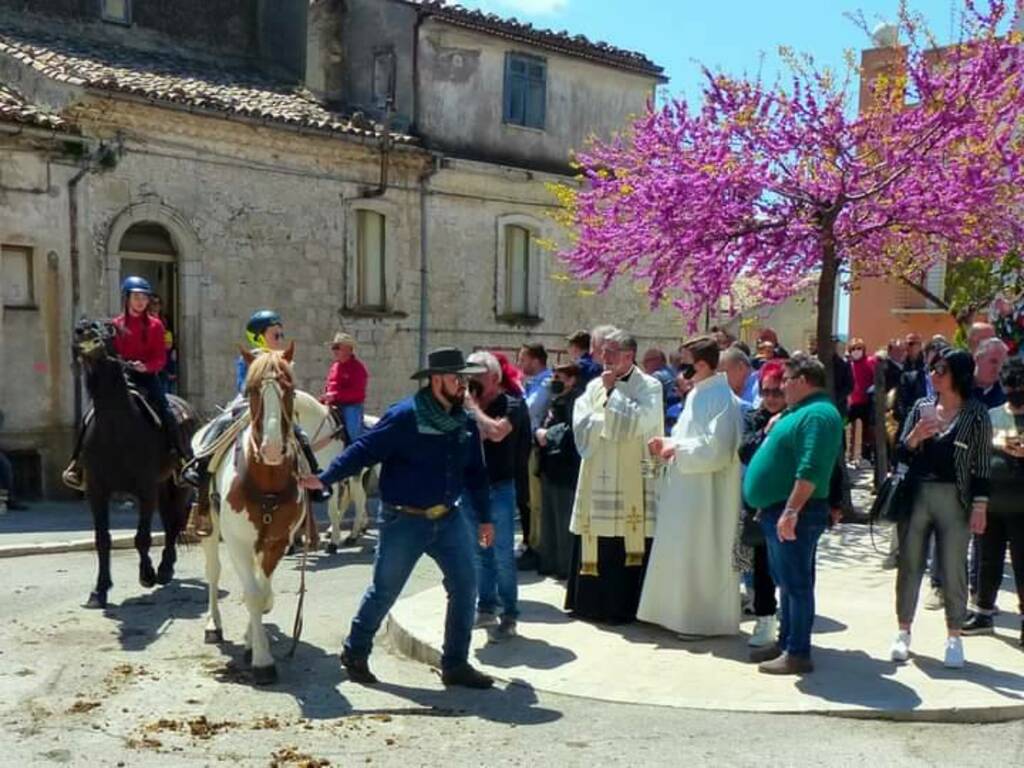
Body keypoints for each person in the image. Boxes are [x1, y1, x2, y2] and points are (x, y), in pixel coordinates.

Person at [300, 347, 496, 689]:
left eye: (464, 378)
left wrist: (485, 517)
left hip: (449, 519)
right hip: (404, 520)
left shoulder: (463, 420)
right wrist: (326, 477)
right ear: (436, 380)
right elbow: (364, 449)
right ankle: (355, 650)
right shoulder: (405, 416)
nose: (462, 384)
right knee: (384, 591)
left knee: (466, 586)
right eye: (456, 378)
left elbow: (476, 472)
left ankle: (455, 664)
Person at [889, 348, 992, 669]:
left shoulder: (976, 413)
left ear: (958, 375)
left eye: (941, 370)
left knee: (953, 568)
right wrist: (915, 436)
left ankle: (954, 636)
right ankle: (903, 632)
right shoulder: (922, 407)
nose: (933, 375)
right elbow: (901, 455)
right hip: (918, 495)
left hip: (955, 499)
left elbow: (982, 466)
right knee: (910, 565)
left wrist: (980, 506)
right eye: (932, 369)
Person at [743, 353, 844, 674]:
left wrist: (790, 510)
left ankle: (798, 652)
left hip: (797, 511)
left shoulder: (818, 415)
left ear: (802, 381)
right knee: (786, 582)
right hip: (778, 510)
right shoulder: (801, 411)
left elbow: (811, 468)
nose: (781, 387)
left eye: (785, 381)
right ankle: (787, 641)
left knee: (797, 584)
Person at [185, 309, 328, 535]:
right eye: (276, 335)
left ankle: (313, 479)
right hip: (248, 404)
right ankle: (201, 474)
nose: (280, 339)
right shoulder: (250, 357)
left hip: (275, 408)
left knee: (300, 435)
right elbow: (244, 385)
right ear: (259, 336)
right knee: (219, 427)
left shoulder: (283, 360)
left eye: (281, 335)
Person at [638, 336, 743, 637]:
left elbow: (717, 449)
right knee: (683, 549)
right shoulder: (699, 394)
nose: (678, 371)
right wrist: (669, 443)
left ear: (699, 364)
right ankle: (676, 615)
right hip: (686, 488)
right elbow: (692, 437)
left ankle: (700, 620)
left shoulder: (721, 398)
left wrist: (677, 449)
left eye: (683, 364)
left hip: (706, 494)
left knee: (701, 551)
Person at [566, 329, 663, 624]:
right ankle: (589, 605)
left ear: (629, 355)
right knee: (598, 537)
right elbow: (581, 420)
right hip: (598, 474)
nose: (603, 358)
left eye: (610, 353)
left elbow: (640, 423)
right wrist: (604, 420)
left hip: (635, 475)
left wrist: (613, 395)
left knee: (627, 540)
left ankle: (623, 607)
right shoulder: (594, 384)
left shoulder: (650, 386)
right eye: (602, 352)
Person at [62, 276, 191, 491]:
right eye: (136, 297)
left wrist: (146, 367)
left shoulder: (156, 325)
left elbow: (160, 357)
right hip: (119, 377)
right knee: (91, 414)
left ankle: (181, 460)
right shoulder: (115, 326)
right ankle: (77, 464)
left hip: (147, 377)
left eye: (144, 297)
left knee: (166, 411)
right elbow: (108, 353)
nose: (141, 301)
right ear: (127, 298)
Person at [464, 351, 531, 641]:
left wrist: (473, 409)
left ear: (494, 378)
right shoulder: (466, 407)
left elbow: (497, 432)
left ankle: (510, 613)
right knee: (480, 553)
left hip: (500, 488)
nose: (471, 384)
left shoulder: (512, 404)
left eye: (476, 378)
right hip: (472, 489)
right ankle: (486, 606)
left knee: (503, 553)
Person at [962, 357, 1024, 645]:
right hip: (992, 504)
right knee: (988, 561)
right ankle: (983, 612)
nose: (1016, 391)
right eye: (1012, 385)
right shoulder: (992, 415)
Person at [737, 362, 788, 648]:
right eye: (766, 391)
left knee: (790, 567)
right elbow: (744, 451)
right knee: (761, 564)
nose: (771, 398)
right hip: (759, 503)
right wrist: (767, 431)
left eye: (777, 392)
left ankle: (791, 620)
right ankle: (765, 618)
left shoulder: (797, 417)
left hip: (791, 501)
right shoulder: (755, 417)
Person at [535, 363, 585, 580]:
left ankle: (564, 566)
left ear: (572, 380)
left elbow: (572, 430)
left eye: (560, 376)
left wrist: (546, 434)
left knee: (563, 519)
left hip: (565, 469)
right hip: (549, 468)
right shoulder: (556, 400)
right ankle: (549, 562)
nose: (555, 380)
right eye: (554, 375)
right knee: (549, 519)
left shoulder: (576, 401)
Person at [518, 342, 553, 570]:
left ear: (535, 359)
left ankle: (537, 547)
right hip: (526, 444)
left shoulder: (546, 382)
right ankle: (530, 541)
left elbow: (529, 409)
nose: (520, 364)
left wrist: (517, 391)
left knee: (534, 498)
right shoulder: (534, 383)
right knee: (526, 498)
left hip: (536, 446)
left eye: (523, 359)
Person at [320, 332, 369, 442]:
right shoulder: (335, 366)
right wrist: (324, 398)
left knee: (354, 434)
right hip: (333, 404)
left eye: (337, 347)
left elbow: (357, 393)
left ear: (349, 349)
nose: (334, 350)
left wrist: (335, 396)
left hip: (351, 406)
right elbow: (330, 386)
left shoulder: (358, 369)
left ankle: (358, 454)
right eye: (333, 347)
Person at [845, 337, 876, 469]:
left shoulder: (870, 362)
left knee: (866, 432)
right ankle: (848, 457)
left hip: (866, 402)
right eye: (854, 349)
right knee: (847, 429)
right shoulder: (848, 365)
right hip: (852, 402)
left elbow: (876, 379)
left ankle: (865, 457)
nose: (856, 351)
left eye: (859, 348)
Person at [148, 293, 178, 395]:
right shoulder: (145, 320)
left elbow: (170, 344)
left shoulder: (165, 320)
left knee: (167, 392)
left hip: (166, 360)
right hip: (152, 361)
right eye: (153, 303)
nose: (156, 306)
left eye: (158, 303)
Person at [973, 337, 1009, 409]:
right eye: (993, 362)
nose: (999, 369)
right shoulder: (958, 388)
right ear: (977, 358)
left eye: (1003, 364)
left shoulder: (1006, 396)